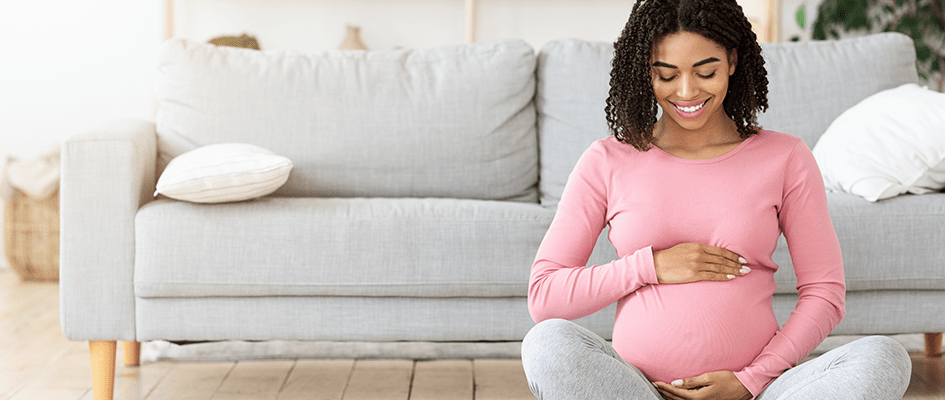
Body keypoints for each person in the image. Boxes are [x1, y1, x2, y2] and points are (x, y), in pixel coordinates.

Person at [520, 0, 913, 399]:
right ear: (646, 74)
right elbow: (545, 297)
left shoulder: (786, 157)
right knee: (546, 343)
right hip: (639, 390)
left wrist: (752, 378)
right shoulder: (607, 160)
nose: (687, 92)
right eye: (667, 75)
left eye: (705, 72)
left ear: (732, 60)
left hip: (759, 392)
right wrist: (650, 266)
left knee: (884, 357)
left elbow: (825, 294)